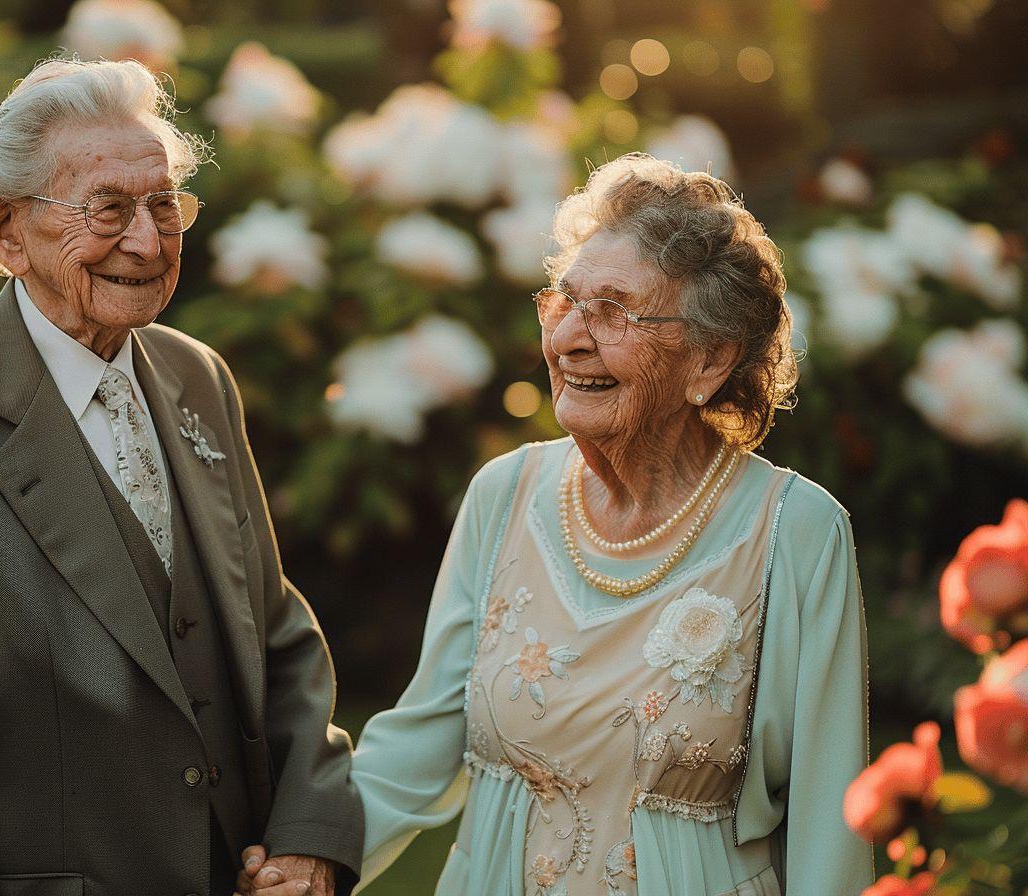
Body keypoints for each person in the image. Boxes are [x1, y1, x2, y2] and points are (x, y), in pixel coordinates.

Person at [239, 153, 873, 895]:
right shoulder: (504, 495)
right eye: (564, 301)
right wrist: (314, 860)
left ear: (710, 358)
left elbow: (834, 820)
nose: (570, 336)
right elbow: (422, 737)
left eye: (612, 311)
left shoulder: (795, 530)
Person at [0, 58, 362, 896]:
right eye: (108, 209)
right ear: (7, 232)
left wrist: (308, 838)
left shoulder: (198, 377)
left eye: (163, 205)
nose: (147, 242)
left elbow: (276, 637)